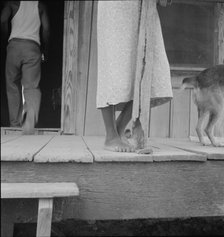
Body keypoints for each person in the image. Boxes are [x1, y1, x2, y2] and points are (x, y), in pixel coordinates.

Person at [96, 0, 173, 152]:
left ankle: (118, 129)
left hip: (143, 8)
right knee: (113, 67)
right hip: (116, 9)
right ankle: (111, 136)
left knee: (151, 72)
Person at [0, 1, 50, 134]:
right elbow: (46, 28)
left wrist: (5, 39)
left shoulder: (11, 4)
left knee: (12, 85)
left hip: (14, 47)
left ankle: (15, 125)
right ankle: (30, 120)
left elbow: (2, 20)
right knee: (31, 86)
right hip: (33, 48)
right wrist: (44, 49)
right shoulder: (40, 6)